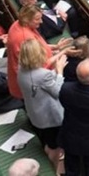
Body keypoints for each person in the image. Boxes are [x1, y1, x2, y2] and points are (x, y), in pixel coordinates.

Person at [17, 39, 68, 168]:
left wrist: (60, 55)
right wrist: (60, 72)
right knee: (55, 147)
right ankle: (54, 168)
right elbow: (58, 92)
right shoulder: (44, 75)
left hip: (36, 114)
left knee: (47, 140)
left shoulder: (21, 69)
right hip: (50, 119)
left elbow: (42, 78)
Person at [7, 5, 70, 99]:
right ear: (26, 19)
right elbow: (40, 65)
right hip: (34, 84)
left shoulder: (20, 23)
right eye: (37, 19)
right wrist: (64, 52)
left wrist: (56, 47)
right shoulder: (25, 38)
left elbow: (39, 46)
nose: (41, 21)